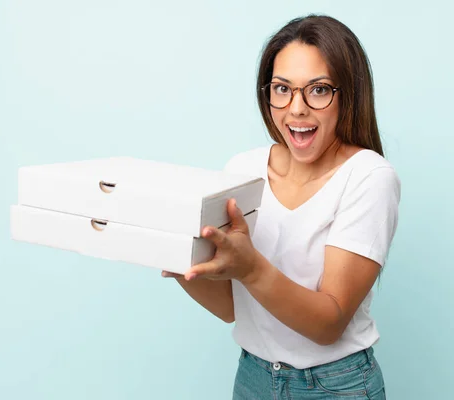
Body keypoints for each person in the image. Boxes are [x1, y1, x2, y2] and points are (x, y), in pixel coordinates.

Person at [162, 14, 400, 400]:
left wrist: (251, 267)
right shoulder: (242, 171)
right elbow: (230, 307)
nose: (297, 108)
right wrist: (181, 263)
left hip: (335, 386)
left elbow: (328, 324)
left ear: (349, 95)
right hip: (253, 377)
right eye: (282, 88)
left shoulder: (369, 177)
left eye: (318, 90)